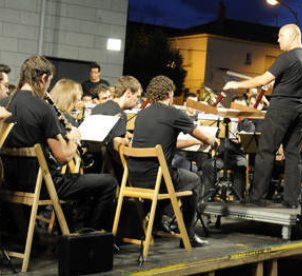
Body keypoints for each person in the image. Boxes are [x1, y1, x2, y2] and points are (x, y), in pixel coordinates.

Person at [0, 55, 117, 231]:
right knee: (108, 183)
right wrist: (75, 138)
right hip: (42, 184)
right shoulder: (43, 108)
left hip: (9, 181)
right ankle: (90, 237)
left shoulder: (3, 104)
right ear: (43, 78)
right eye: (48, 82)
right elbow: (62, 157)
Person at [223, 24, 302, 208]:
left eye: (281, 36)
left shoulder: (288, 57)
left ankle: (257, 196)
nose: (278, 39)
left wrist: (235, 84)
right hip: (300, 110)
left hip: (281, 109)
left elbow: (262, 79)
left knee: (266, 151)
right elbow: (292, 84)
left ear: (294, 36)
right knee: (292, 154)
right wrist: (274, 87)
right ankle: (291, 200)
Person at [128, 75, 217, 247]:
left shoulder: (142, 114)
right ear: (169, 93)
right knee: (193, 180)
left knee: (171, 178)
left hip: (134, 177)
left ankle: (156, 224)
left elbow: (163, 144)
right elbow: (206, 138)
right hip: (158, 178)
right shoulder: (174, 113)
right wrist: (212, 141)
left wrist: (192, 141)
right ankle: (188, 234)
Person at [91, 75, 142, 182]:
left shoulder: (98, 107)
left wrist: (126, 133)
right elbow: (117, 143)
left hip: (96, 166)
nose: (137, 101)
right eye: (137, 96)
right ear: (128, 93)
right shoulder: (119, 113)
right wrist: (129, 142)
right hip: (115, 171)